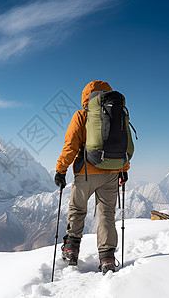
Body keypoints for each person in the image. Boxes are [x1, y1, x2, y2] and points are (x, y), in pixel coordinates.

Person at [54, 80, 130, 274]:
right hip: (112, 173)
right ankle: (107, 259)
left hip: (86, 173)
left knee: (78, 210)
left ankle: (71, 250)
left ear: (86, 96)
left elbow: (70, 145)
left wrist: (61, 170)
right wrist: (124, 168)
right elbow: (123, 143)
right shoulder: (118, 113)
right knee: (106, 214)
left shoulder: (82, 115)